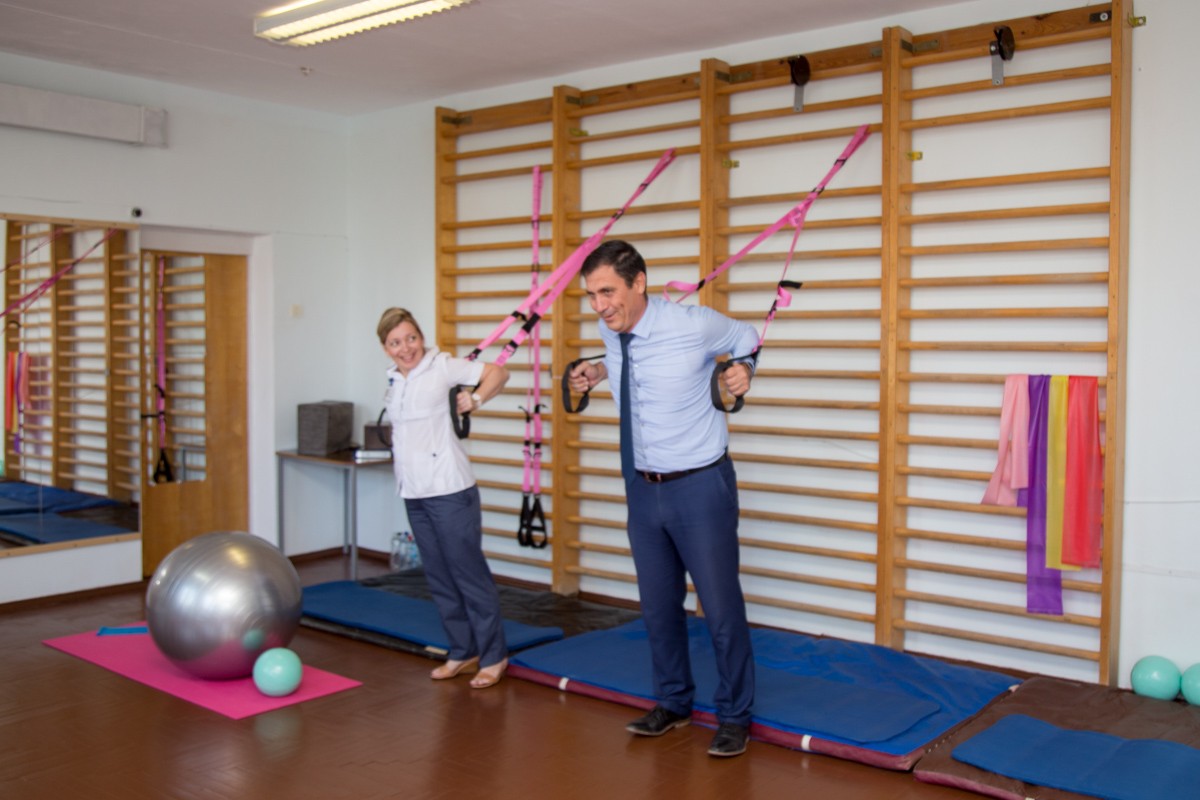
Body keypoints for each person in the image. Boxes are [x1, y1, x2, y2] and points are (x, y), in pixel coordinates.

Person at [568, 240, 758, 757]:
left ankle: (735, 716)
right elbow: (628, 366)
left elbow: (746, 335)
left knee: (720, 609)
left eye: (608, 292)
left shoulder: (693, 325)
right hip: (642, 486)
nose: (600, 305)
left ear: (639, 283)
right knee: (657, 607)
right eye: (591, 295)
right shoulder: (611, 332)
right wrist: (596, 370)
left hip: (699, 485)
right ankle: (673, 702)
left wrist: (744, 369)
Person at [377, 307, 511, 689]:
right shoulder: (394, 381)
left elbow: (498, 373)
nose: (406, 348)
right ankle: (462, 651)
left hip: (450, 490)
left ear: (421, 337)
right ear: (386, 348)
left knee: (468, 574)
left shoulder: (443, 367)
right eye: (396, 342)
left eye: (411, 338)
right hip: (414, 492)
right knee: (438, 576)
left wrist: (476, 399)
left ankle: (493, 656)